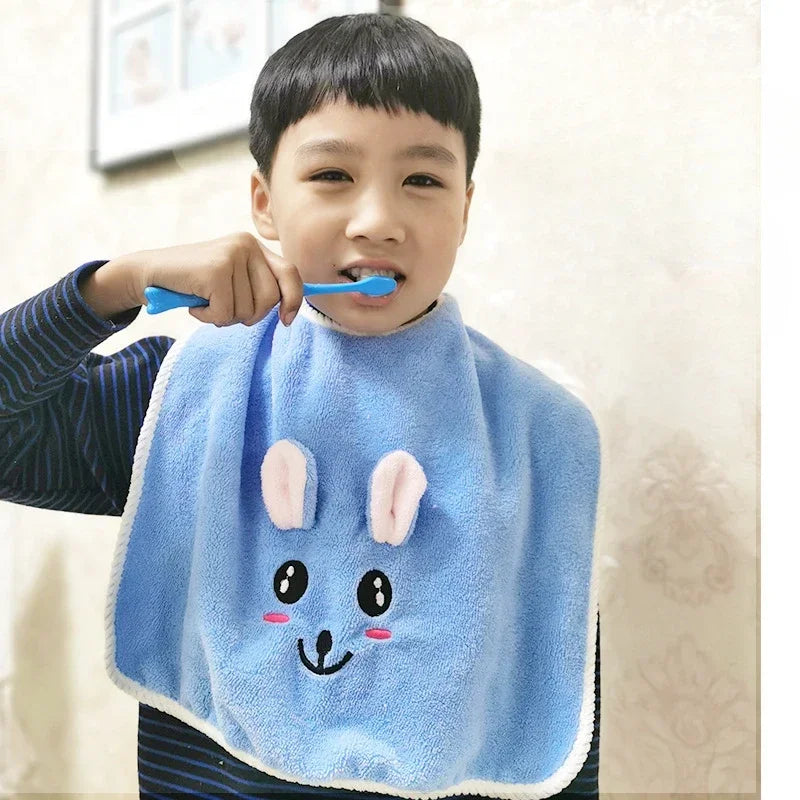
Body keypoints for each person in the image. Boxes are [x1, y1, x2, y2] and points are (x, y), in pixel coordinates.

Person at [0, 12, 600, 799]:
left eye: (423, 180)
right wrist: (115, 284)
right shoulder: (185, 391)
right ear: (263, 203)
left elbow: (554, 699)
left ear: (465, 206)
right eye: (331, 175)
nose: (378, 220)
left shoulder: (538, 434)